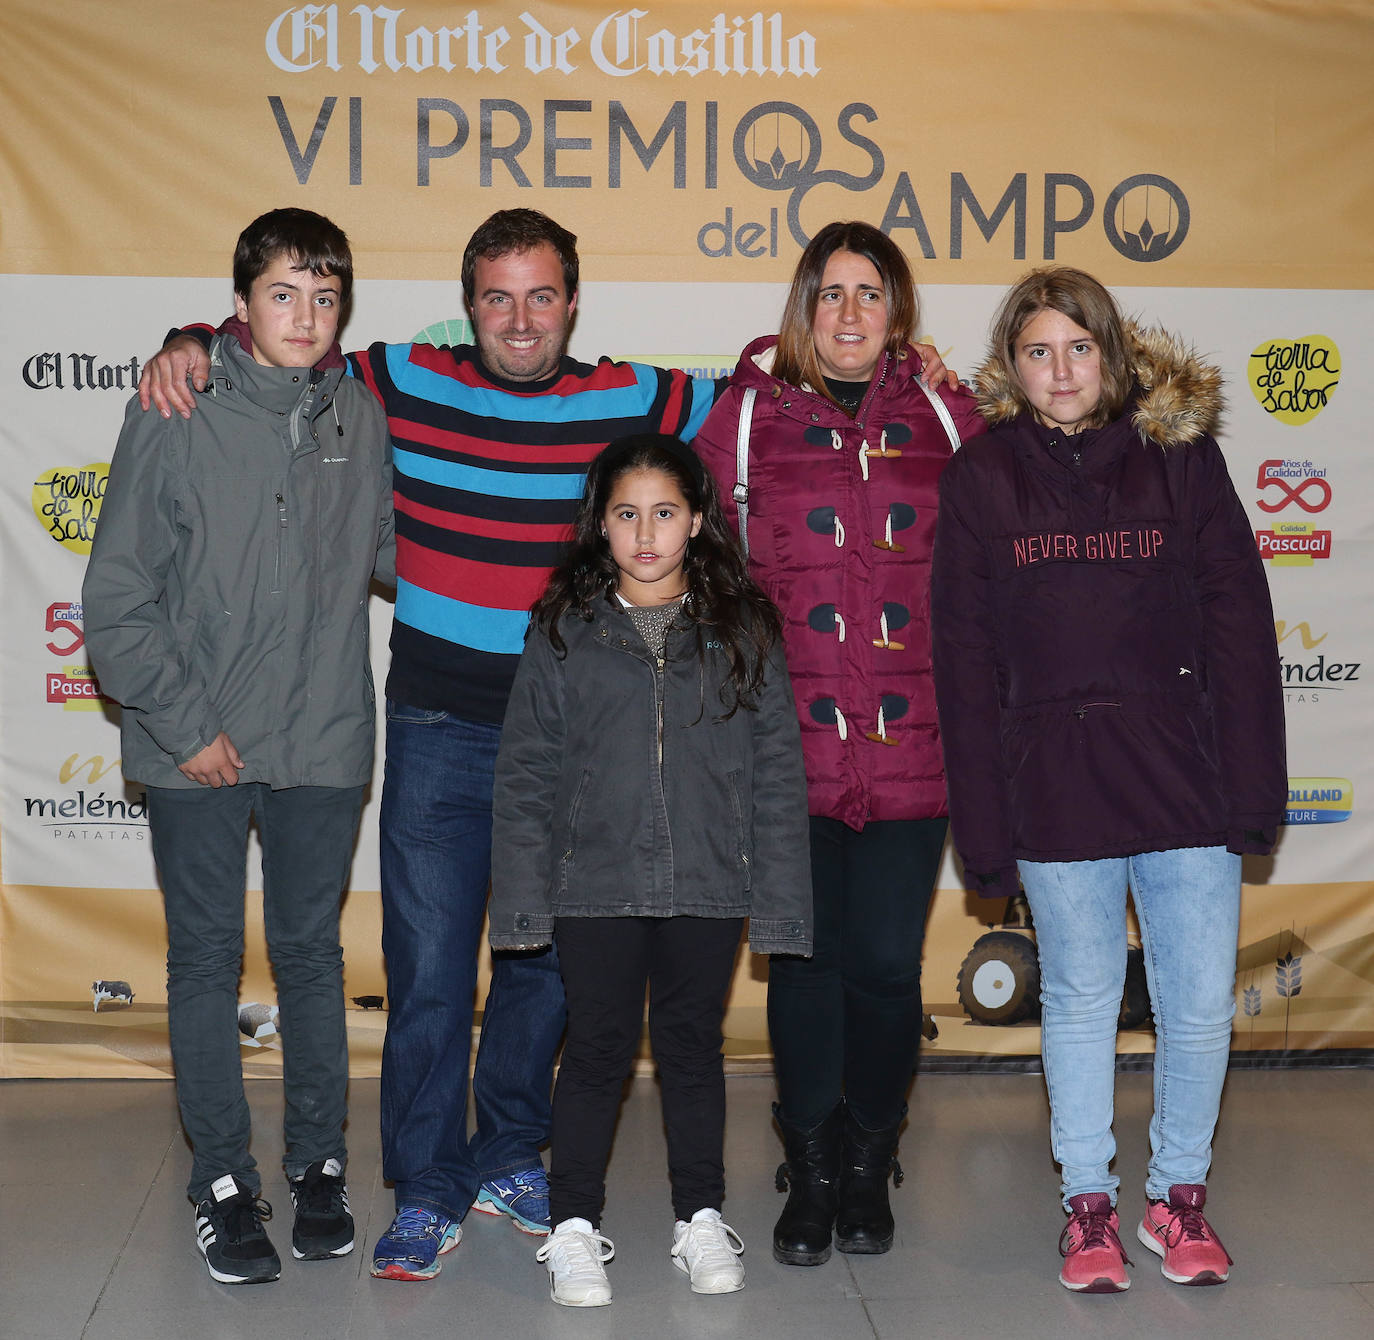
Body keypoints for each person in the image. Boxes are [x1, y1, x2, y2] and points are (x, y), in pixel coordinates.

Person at [138, 209, 724, 1281]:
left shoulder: (636, 396)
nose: (520, 319)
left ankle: (508, 1151)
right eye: (497, 297)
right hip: (435, 725)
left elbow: (761, 395)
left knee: (544, 968)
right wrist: (187, 338)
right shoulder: (397, 377)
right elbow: (279, 347)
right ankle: (425, 1180)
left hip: (570, 737)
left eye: (540, 296)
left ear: (573, 301)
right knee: (430, 973)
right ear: (469, 305)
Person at [931, 266, 1286, 1293]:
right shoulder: (981, 477)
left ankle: (1178, 1200)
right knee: (1081, 999)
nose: (1061, 370)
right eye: (1038, 351)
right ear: (1013, 368)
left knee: (1198, 1005)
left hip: (1186, 780)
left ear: (1113, 355)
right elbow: (963, 660)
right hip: (1055, 783)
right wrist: (983, 827)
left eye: (1079, 348)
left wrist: (1254, 790)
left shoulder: (1182, 460)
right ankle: (1087, 1207)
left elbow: (1241, 631)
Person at [84, 208, 395, 1284]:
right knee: (206, 959)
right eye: (282, 295)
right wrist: (186, 726)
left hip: (322, 735)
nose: (305, 317)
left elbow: (401, 552)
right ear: (241, 302)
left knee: (311, 954)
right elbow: (116, 598)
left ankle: (318, 1164)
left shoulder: (361, 414)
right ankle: (221, 1178)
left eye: (324, 298)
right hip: (195, 743)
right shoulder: (175, 405)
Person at [692, 221, 984, 1266]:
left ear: (898, 311)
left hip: (916, 745)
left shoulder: (947, 414)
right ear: (803, 308)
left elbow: (999, 553)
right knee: (803, 964)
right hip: (785, 749)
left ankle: (869, 1159)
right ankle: (810, 1167)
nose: (851, 313)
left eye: (871, 293)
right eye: (831, 293)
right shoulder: (741, 419)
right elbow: (697, 569)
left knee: (886, 966)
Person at [489, 433, 811, 1307]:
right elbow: (526, 771)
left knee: (691, 1049)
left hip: (709, 881)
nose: (644, 534)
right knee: (595, 1050)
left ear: (697, 520)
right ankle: (571, 1228)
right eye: (626, 514)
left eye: (664, 513)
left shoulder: (743, 628)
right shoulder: (563, 628)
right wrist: (521, 905)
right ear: (600, 524)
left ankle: (699, 1217)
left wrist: (780, 903)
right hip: (593, 884)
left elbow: (778, 772)